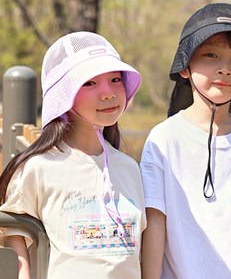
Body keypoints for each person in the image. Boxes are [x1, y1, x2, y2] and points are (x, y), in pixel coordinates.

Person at [140, 3, 231, 279]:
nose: (225, 69)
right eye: (211, 55)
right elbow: (155, 222)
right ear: (185, 65)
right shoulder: (164, 139)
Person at [0, 31, 146, 279]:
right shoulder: (39, 167)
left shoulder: (129, 168)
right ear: (64, 95)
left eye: (115, 79)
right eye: (89, 83)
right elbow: (15, 234)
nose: (108, 93)